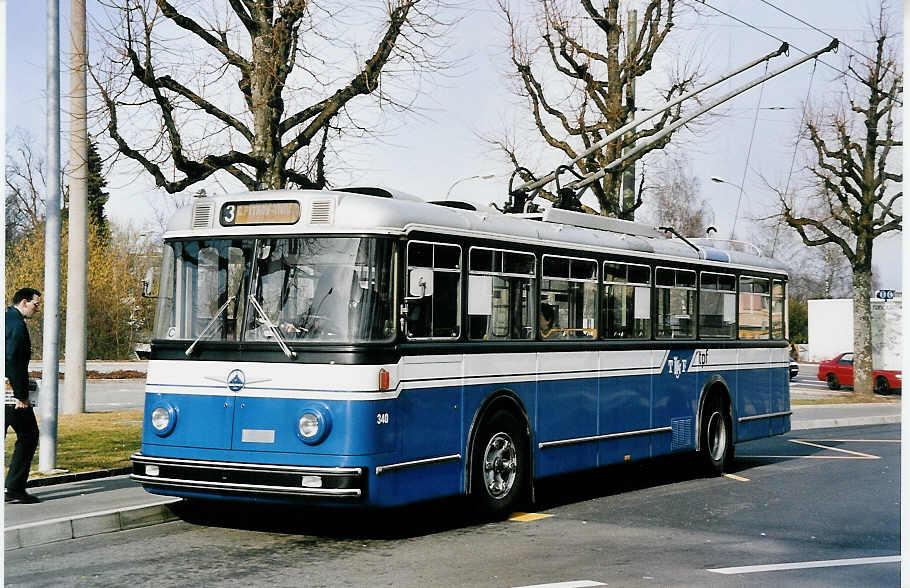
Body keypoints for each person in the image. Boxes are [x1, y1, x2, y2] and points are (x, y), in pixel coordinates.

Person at [5, 287, 41, 504]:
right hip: (10, 395)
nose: (37, 309)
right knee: (29, 436)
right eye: (36, 304)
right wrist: (21, 396)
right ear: (25, 302)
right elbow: (12, 360)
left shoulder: (6, 319)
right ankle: (14, 488)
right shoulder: (17, 325)